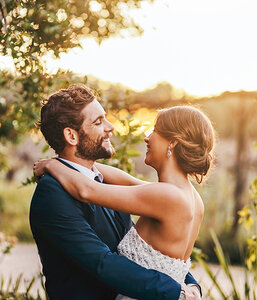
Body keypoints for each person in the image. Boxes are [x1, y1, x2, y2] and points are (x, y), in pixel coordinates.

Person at [29, 84, 202, 300]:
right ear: (71, 136)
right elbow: (102, 263)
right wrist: (176, 292)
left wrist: (187, 283)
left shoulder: (106, 184)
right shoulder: (52, 194)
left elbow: (145, 248)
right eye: (99, 122)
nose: (111, 127)